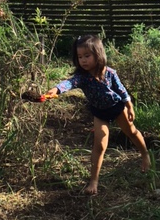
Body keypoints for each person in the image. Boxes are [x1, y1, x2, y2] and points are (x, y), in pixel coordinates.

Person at [44, 34, 150, 195]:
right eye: (80, 57)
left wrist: (129, 106)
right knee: (100, 145)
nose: (83, 60)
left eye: (87, 56)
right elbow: (69, 83)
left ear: (98, 54)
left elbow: (121, 90)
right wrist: (56, 89)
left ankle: (145, 154)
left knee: (132, 132)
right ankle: (93, 181)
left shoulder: (110, 73)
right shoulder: (82, 77)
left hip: (117, 107)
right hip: (99, 113)